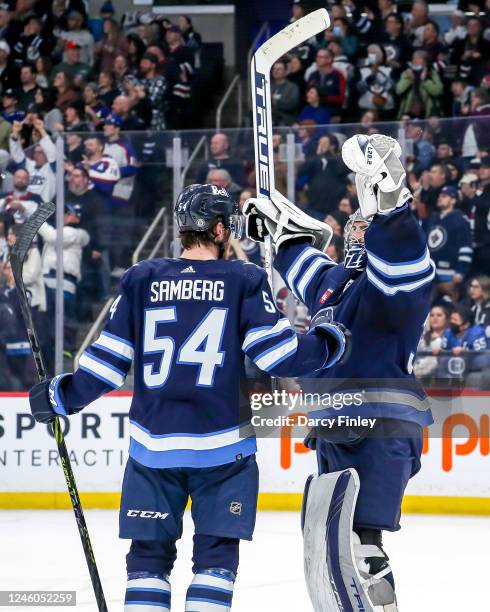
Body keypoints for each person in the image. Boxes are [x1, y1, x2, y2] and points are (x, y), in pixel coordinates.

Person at [28, 183, 349, 611]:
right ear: (218, 229)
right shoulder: (245, 279)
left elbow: (105, 366)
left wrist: (60, 396)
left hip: (152, 450)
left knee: (147, 562)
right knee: (215, 560)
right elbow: (280, 356)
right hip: (223, 451)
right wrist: (330, 342)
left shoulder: (141, 279)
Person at [243, 133, 434, 610]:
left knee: (361, 547)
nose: (355, 230)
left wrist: (390, 205)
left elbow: (405, 263)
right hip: (333, 426)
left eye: (363, 224)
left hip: (383, 425)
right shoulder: (334, 285)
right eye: (352, 225)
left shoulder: (391, 285)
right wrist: (276, 232)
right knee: (333, 549)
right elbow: (296, 257)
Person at [425, 185, 472, 302]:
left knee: (449, 307)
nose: (440, 198)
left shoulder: (460, 219)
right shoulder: (432, 218)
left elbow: (465, 247)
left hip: (449, 274)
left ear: (453, 200)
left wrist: (461, 271)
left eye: (444, 196)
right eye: (440, 195)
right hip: (430, 272)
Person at [9, 118, 56, 202]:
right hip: (23, 203)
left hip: (42, 207)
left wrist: (41, 130)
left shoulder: (53, 169)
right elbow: (16, 154)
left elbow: (52, 153)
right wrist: (15, 132)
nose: (36, 155)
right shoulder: (29, 164)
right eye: (35, 152)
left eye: (40, 153)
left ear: (47, 154)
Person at [271, 60, 300, 126]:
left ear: (285, 71)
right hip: (270, 118)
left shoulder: (292, 87)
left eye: (279, 69)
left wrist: (275, 101)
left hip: (286, 120)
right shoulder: (267, 86)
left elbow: (292, 105)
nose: (276, 71)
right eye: (274, 69)